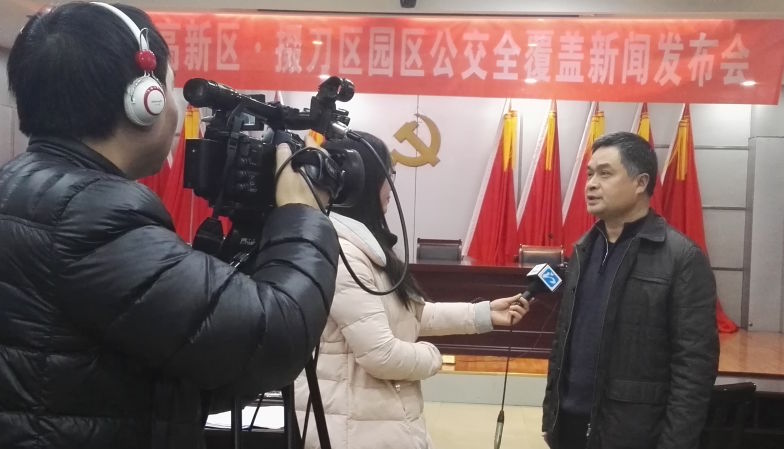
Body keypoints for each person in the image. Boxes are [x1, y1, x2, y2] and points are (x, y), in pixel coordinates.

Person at [0, 3, 338, 448]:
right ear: (144, 101)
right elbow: (274, 337)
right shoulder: (94, 218)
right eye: (171, 87)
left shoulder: (21, 188)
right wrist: (301, 213)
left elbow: (160, 365)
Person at [294, 132, 530, 449]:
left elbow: (410, 314)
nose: (391, 187)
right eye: (388, 175)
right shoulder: (343, 254)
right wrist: (434, 357)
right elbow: (382, 355)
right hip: (351, 430)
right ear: (362, 180)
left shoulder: (364, 246)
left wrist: (484, 314)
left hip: (372, 420)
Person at [542, 132, 719, 449]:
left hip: (633, 434)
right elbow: (563, 342)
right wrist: (550, 417)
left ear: (640, 183)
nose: (591, 184)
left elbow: (694, 368)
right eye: (590, 174)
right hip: (568, 425)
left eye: (605, 174)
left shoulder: (682, 258)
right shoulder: (583, 250)